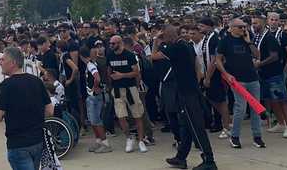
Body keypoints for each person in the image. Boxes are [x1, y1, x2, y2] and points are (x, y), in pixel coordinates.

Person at [153, 25, 217, 170]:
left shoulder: (176, 47)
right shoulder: (185, 45)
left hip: (187, 92)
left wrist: (156, 40)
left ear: (170, 35)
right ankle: (181, 157)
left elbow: (153, 56)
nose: (164, 38)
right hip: (189, 90)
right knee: (185, 126)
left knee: (195, 126)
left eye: (165, 36)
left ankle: (209, 160)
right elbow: (196, 65)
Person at [0, 47, 53, 170]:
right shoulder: (36, 81)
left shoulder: (6, 86)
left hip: (18, 144)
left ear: (13, 63)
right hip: (37, 140)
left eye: (3, 60)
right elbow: (50, 111)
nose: (0, 63)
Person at [215, 18, 265, 149]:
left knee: (256, 108)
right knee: (240, 108)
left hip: (252, 77)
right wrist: (226, 74)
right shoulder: (225, 41)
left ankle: (257, 136)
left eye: (244, 27)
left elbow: (258, 55)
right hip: (237, 79)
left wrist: (249, 42)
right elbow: (218, 59)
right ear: (231, 28)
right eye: (240, 27)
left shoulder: (248, 38)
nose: (243, 29)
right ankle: (235, 136)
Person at [253, 15, 287, 138]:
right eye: (253, 23)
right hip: (264, 73)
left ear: (263, 23)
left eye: (256, 23)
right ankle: (280, 123)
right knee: (272, 100)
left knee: (281, 99)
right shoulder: (257, 37)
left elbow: (276, 56)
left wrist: (260, 63)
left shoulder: (272, 37)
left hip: (275, 72)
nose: (253, 25)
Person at [107, 34, 148, 153]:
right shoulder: (110, 56)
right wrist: (110, 84)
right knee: (121, 116)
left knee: (137, 115)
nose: (111, 45)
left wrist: (122, 76)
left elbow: (136, 72)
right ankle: (129, 138)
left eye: (113, 43)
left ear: (120, 43)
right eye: (110, 43)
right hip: (117, 90)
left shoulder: (130, 55)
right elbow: (108, 71)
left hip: (130, 88)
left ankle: (141, 140)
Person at [80, 46, 112, 153]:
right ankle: (99, 141)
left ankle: (105, 143)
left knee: (96, 121)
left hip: (94, 96)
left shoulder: (90, 65)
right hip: (93, 96)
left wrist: (95, 87)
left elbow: (97, 77)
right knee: (93, 121)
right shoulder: (93, 63)